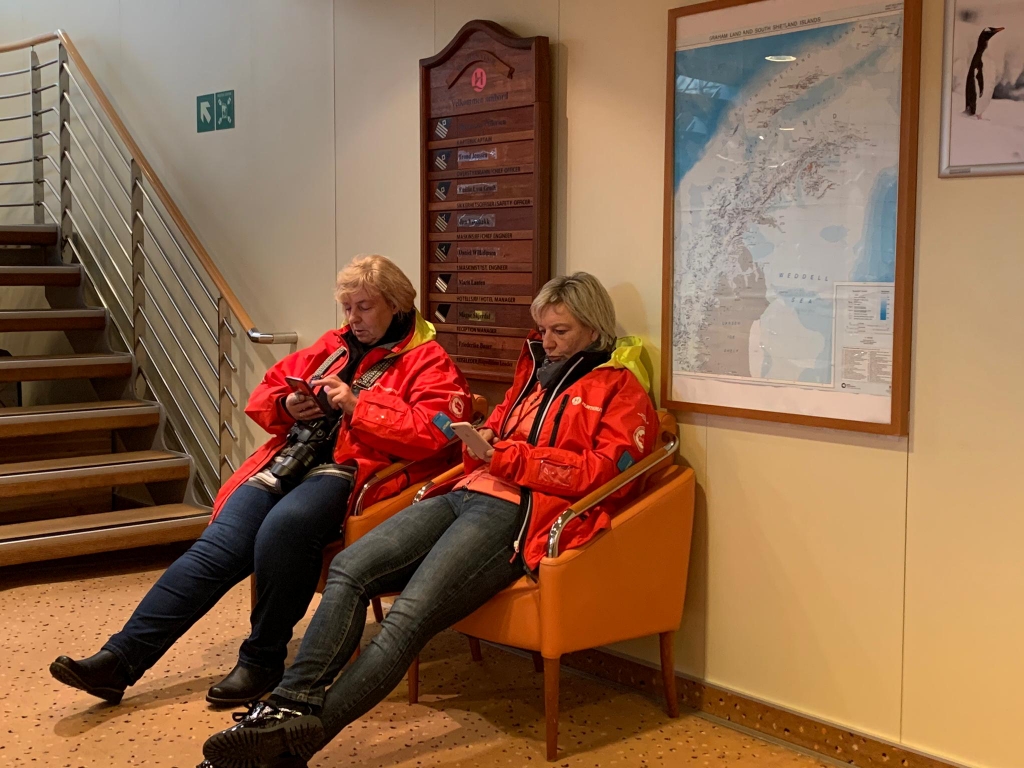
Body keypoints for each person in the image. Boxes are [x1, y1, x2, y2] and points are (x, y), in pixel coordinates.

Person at [198, 272, 658, 768]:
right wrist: (483, 437)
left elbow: (603, 473)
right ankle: (288, 706)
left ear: (594, 328)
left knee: (408, 617)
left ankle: (296, 741)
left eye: (560, 331)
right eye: (543, 330)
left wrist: (509, 457)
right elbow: (498, 427)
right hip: (464, 491)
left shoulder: (621, 389)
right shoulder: (533, 374)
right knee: (350, 568)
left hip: (518, 514)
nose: (547, 341)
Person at [50, 255, 472, 707]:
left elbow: (436, 433)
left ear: (396, 303)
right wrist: (288, 406)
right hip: (292, 459)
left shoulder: (429, 359)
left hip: (356, 473)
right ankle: (120, 659)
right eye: (348, 307)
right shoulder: (334, 344)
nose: (353, 318)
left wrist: (358, 406)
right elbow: (266, 392)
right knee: (218, 545)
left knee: (284, 528)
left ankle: (262, 660)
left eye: (364, 307)